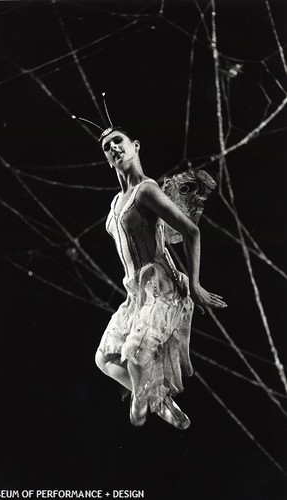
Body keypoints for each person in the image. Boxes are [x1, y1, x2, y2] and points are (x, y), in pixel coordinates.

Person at [95, 126, 227, 429]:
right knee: (105, 360)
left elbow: (191, 230)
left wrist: (194, 284)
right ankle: (159, 400)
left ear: (135, 146)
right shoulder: (116, 203)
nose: (114, 148)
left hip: (162, 286)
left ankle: (145, 397)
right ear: (107, 159)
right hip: (136, 293)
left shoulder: (146, 189)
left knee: (136, 353)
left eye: (119, 141)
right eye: (107, 147)